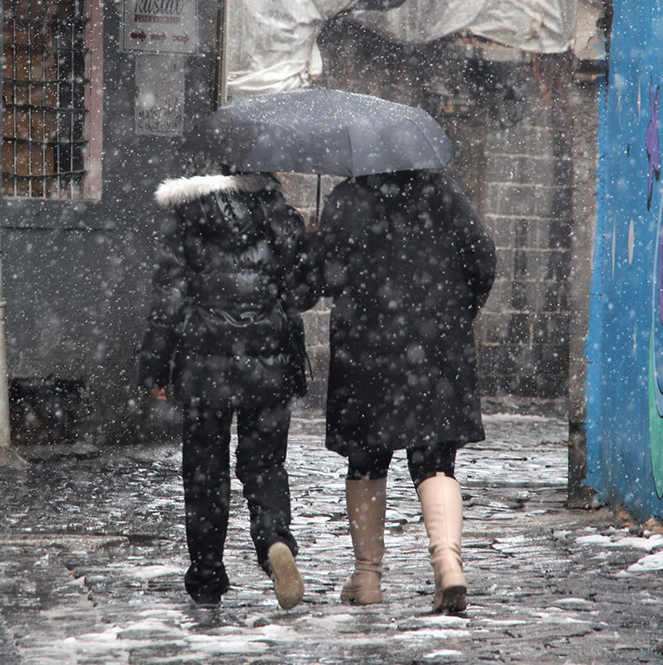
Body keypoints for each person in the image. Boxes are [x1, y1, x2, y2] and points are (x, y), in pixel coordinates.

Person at [311, 169, 496, 613]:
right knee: (434, 463)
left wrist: (317, 244)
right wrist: (454, 311)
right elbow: (483, 258)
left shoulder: (346, 198)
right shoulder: (444, 190)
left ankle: (368, 578)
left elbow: (323, 283)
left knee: (366, 461)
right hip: (435, 343)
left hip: (366, 347)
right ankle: (448, 565)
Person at [137, 168, 316, 610]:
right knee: (265, 465)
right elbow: (302, 294)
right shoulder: (279, 215)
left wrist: (156, 367)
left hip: (204, 364)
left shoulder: (188, 216)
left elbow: (169, 299)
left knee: (204, 473)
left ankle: (206, 576)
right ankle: (275, 541)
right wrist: (308, 243)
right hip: (270, 361)